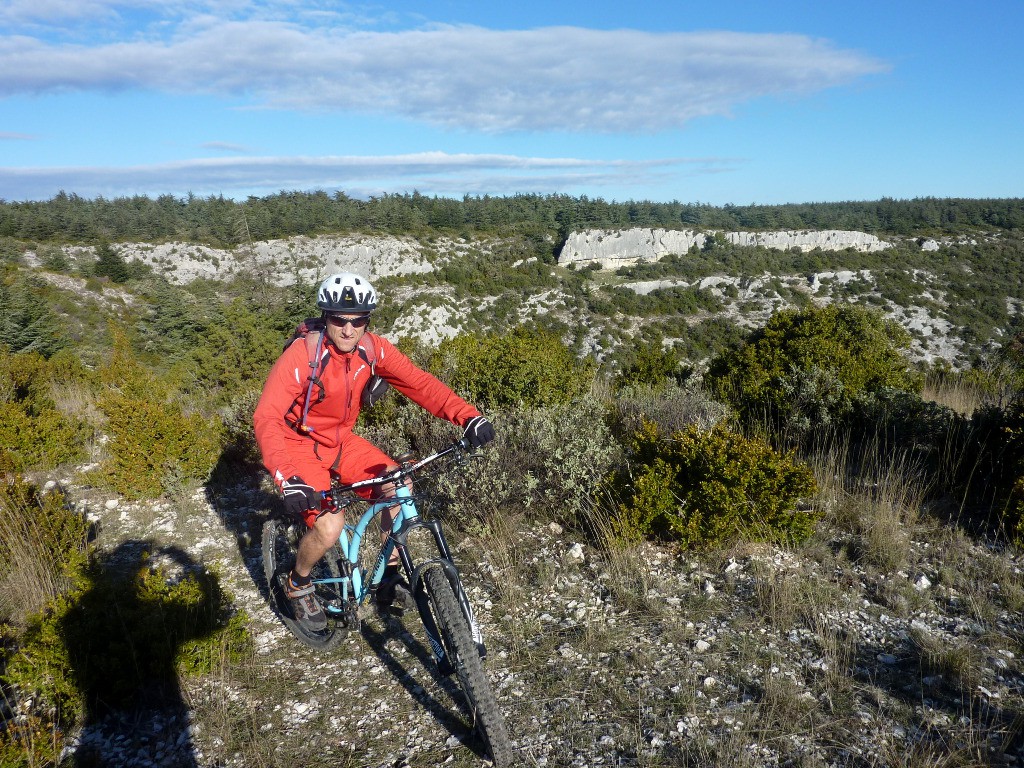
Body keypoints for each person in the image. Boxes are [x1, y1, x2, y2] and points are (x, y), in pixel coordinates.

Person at [253, 272, 494, 630]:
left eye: (358, 321)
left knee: (399, 485)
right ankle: (298, 583)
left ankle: (388, 575)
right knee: (330, 525)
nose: (348, 330)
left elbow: (419, 383)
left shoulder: (373, 348)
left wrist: (468, 417)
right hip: (297, 447)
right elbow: (267, 417)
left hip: (339, 443)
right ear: (325, 316)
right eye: (339, 320)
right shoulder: (302, 356)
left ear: (367, 321)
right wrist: (288, 478)